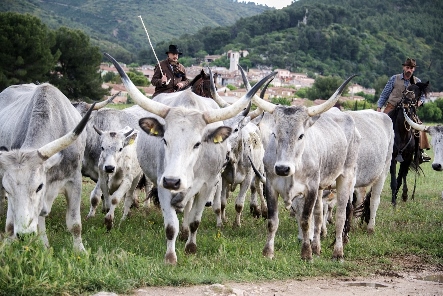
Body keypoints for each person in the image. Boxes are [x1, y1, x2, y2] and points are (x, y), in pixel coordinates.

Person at [376, 57, 431, 162]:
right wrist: (379, 107)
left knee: (419, 126)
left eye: (411, 68)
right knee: (380, 125)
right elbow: (385, 94)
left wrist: (421, 101)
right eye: (407, 67)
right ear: (404, 68)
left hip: (409, 110)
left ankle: (420, 152)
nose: (409, 70)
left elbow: (422, 95)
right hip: (392, 107)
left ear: (414, 69)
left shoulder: (417, 81)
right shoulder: (394, 78)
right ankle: (377, 149)